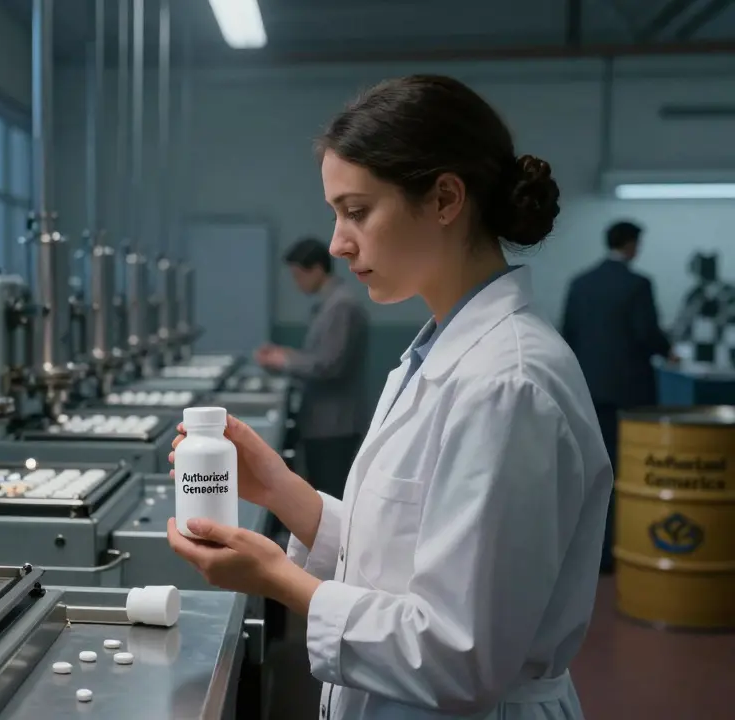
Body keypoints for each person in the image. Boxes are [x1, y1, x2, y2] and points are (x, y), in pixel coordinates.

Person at [165, 75, 612, 720]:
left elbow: (460, 655)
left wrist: (278, 580)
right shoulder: (439, 352)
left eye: (356, 210)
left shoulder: (506, 384)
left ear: (445, 199)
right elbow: (398, 560)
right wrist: (280, 488)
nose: (337, 242)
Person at [561, 220, 673, 572]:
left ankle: (594, 552)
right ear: (630, 244)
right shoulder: (638, 285)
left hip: (588, 390)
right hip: (630, 394)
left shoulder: (580, 283)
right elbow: (646, 334)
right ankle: (624, 547)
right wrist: (668, 350)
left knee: (594, 469)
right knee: (629, 471)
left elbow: (569, 334)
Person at [255, 237, 370, 498]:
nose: (297, 283)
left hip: (335, 425)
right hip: (325, 423)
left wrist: (284, 361)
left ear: (317, 269)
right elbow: (321, 355)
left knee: (330, 497)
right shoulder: (329, 304)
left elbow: (329, 365)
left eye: (298, 275)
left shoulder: (341, 306)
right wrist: (287, 354)